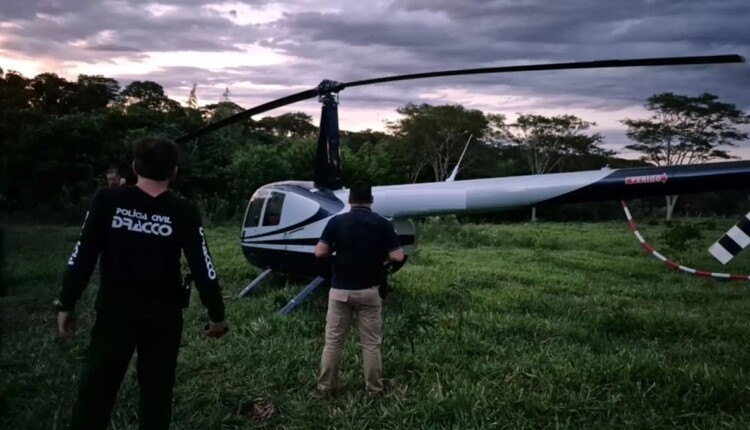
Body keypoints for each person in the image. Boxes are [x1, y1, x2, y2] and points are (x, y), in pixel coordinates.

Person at [55, 137, 228, 430]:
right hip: (163, 317)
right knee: (156, 395)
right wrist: (217, 314)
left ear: (135, 166)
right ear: (174, 171)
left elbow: (82, 255)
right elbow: (204, 266)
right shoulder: (184, 210)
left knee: (96, 391)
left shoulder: (107, 200)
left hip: (114, 313)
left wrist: (66, 302)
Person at [313, 181, 404, 398]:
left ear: (350, 200)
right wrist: (385, 267)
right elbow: (398, 256)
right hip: (370, 291)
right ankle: (374, 389)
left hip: (340, 291)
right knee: (371, 344)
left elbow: (319, 252)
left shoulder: (336, 222)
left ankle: (325, 389)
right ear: (371, 201)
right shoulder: (382, 224)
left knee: (333, 343)